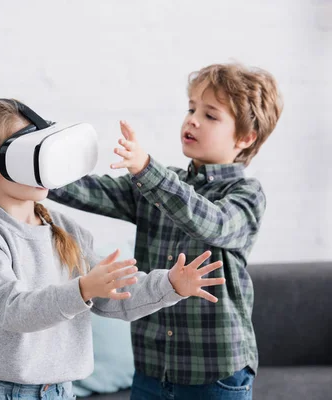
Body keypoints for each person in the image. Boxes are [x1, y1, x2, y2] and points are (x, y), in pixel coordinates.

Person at [0, 98, 226, 400]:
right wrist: (81, 290)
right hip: (0, 393)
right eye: (27, 156)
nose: (41, 166)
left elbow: (112, 296)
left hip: (61, 391)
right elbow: (14, 311)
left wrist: (169, 285)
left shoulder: (63, 228)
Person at [48, 63, 283, 399]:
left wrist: (146, 169)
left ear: (246, 137)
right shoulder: (160, 185)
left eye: (211, 115)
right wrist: (39, 171)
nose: (192, 119)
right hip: (151, 368)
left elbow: (211, 223)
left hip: (216, 374)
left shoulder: (246, 195)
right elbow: (92, 191)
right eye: (191, 109)